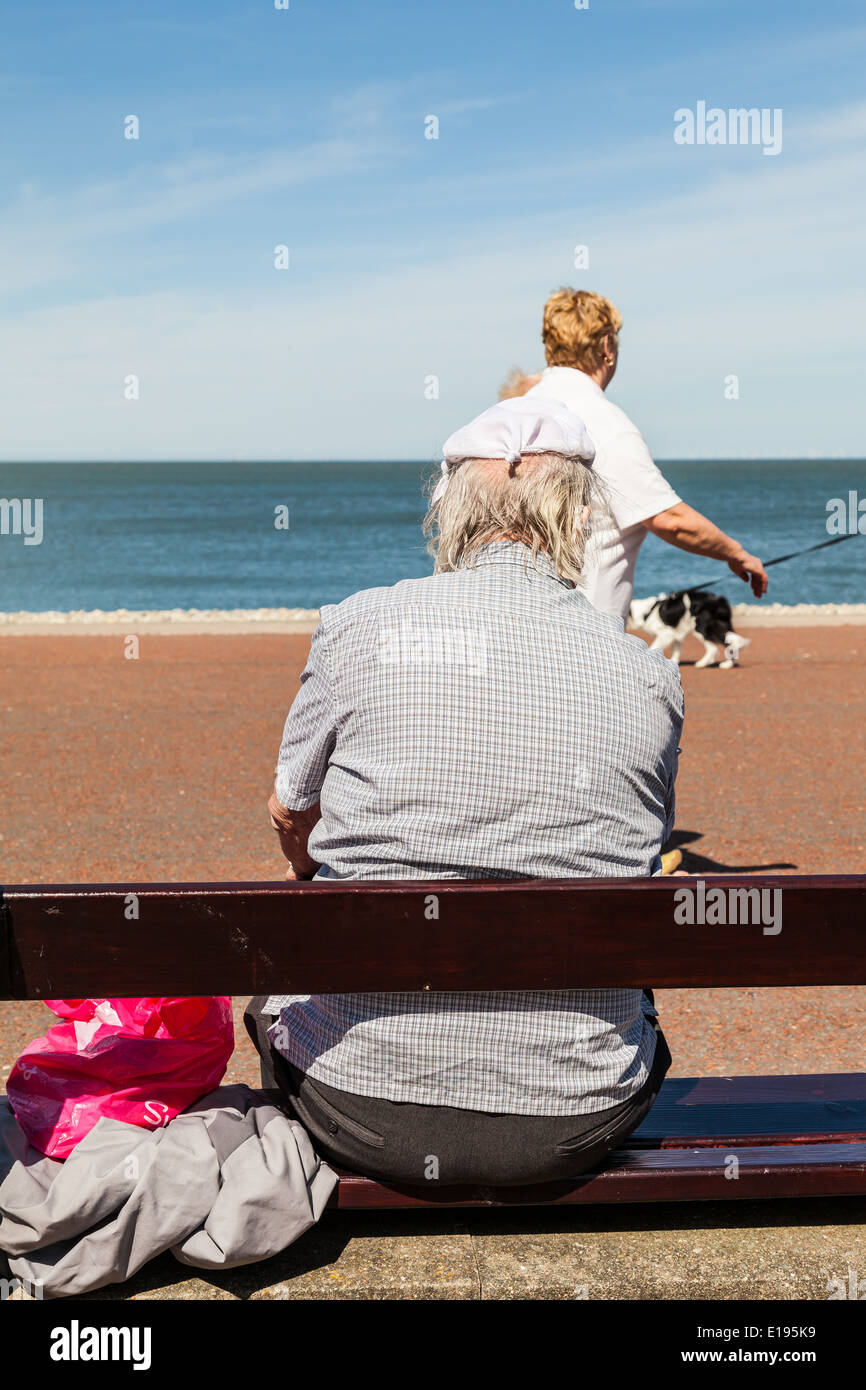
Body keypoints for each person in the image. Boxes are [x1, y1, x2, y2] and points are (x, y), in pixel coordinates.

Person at [245, 396, 683, 1189]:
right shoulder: (649, 675)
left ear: (450, 513)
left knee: (281, 965)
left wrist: (308, 863)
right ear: (578, 518)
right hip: (575, 1117)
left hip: (358, 1105)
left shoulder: (358, 625)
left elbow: (289, 811)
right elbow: (635, 851)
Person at [504, 288, 770, 621]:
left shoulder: (509, 414)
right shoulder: (603, 422)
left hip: (513, 627)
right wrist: (736, 554)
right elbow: (668, 520)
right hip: (585, 637)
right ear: (606, 347)